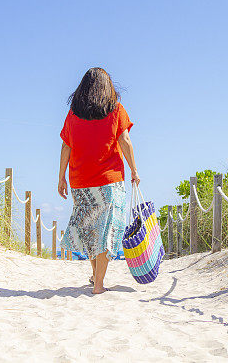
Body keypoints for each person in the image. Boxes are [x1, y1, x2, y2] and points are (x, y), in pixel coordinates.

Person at [58, 67, 139, 294]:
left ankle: (96, 276)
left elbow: (66, 146)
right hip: (109, 181)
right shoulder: (116, 110)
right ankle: (99, 285)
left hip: (80, 181)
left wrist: (61, 177)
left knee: (91, 230)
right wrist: (134, 170)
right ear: (107, 87)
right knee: (106, 231)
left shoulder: (73, 115)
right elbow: (125, 140)